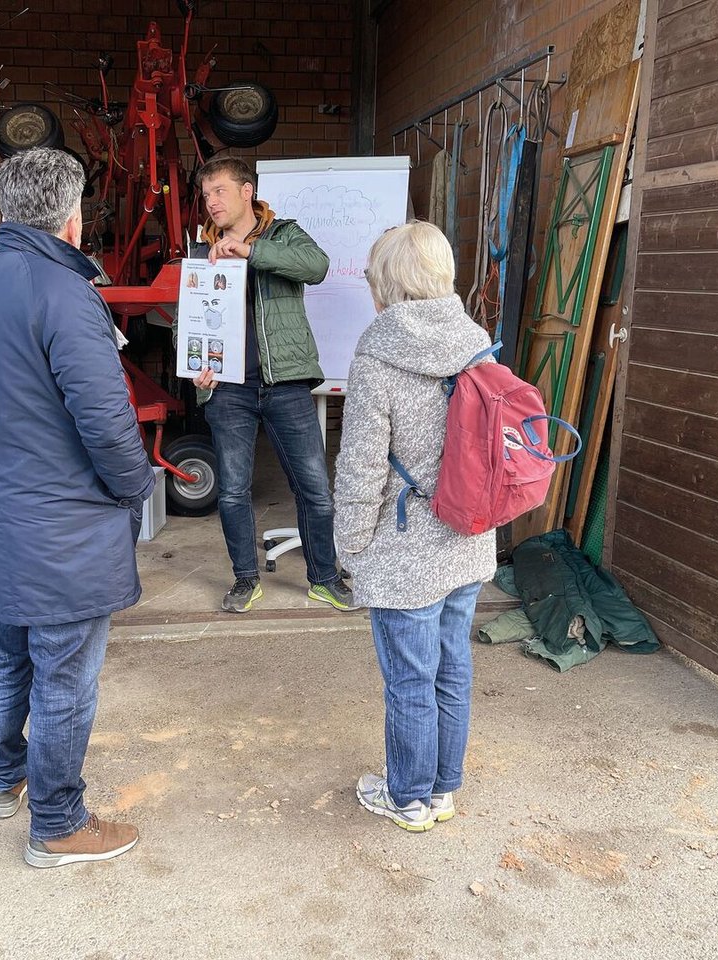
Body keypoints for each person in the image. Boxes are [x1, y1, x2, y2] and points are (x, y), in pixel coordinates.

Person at [0, 148, 157, 869]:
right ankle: (58, 823)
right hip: (63, 522)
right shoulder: (64, 293)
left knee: (4, 651)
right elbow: (105, 416)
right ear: (73, 215)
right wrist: (136, 487)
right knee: (64, 675)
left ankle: (3, 780)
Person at [333, 221, 497, 831]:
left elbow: (360, 466)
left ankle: (406, 797)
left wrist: (349, 546)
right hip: (470, 534)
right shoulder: (474, 339)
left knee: (409, 678)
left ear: (388, 286)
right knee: (452, 665)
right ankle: (442, 790)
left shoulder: (379, 352)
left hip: (405, 549)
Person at [191, 156, 355, 614]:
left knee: (315, 489)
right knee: (232, 491)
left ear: (247, 191)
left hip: (285, 382)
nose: (211, 201)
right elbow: (189, 319)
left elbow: (316, 266)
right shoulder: (201, 249)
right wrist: (196, 367)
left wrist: (250, 252)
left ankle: (324, 577)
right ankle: (246, 579)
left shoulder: (283, 235)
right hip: (227, 389)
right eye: (205, 195)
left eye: (219, 191)